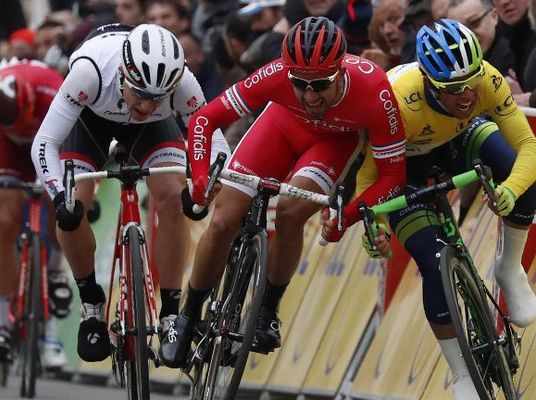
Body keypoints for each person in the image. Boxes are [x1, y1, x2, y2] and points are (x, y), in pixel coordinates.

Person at [159, 16, 407, 368]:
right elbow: (204, 119)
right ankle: (188, 314)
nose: (309, 96)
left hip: (332, 142)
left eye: (320, 85)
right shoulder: (275, 74)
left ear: (341, 72)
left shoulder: (373, 90)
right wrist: (199, 178)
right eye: (299, 83)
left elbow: (393, 175)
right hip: (280, 126)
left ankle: (266, 312)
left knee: (290, 213)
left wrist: (347, 215)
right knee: (223, 221)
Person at [354, 19, 536, 400]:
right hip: (400, 169)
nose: (467, 94)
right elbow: (369, 178)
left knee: (526, 180)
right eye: (454, 89)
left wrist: (510, 189)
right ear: (428, 81)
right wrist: (376, 225)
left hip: (458, 139)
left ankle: (507, 268)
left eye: (471, 81)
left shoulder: (484, 78)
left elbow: (528, 148)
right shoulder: (398, 99)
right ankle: (460, 372)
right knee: (435, 263)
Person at [30, 23, 230, 363]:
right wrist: (58, 195)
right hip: (89, 123)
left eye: (158, 97)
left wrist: (202, 188)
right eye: (140, 93)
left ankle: (169, 312)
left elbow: (215, 145)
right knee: (72, 207)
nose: (147, 105)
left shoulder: (182, 84)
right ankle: (91, 303)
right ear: (123, 73)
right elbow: (44, 143)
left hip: (151, 134)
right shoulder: (89, 72)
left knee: (171, 195)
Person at [0, 58, 72, 369]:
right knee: (5, 218)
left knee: (61, 203)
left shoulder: (52, 87)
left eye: (20, 121)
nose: (19, 130)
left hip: (51, 139)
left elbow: (77, 144)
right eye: (12, 125)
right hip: (6, 149)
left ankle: (55, 270)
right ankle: (0, 323)